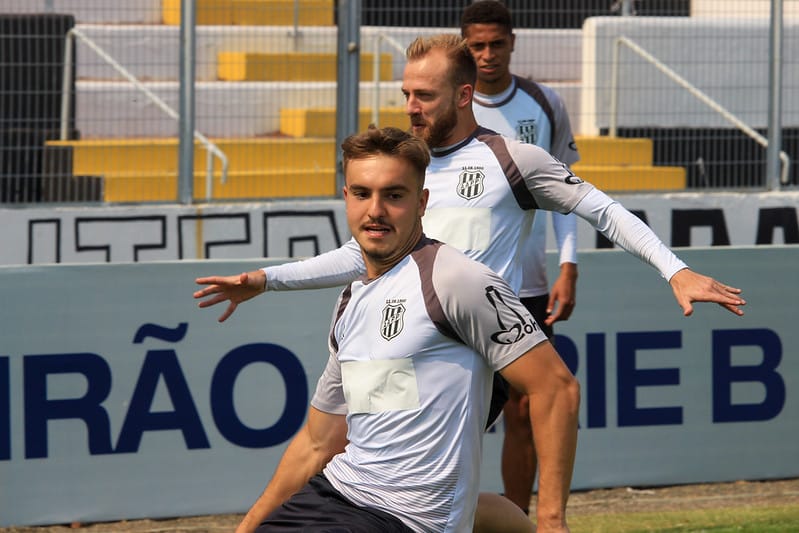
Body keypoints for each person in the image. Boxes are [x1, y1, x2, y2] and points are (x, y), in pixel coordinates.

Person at [195, 34, 745, 529]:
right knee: (388, 476)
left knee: (395, 482)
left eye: (424, 95)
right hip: (402, 335)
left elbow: (602, 209)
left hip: (471, 344)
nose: (410, 107)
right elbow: (359, 253)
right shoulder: (402, 168)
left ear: (463, 95)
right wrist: (267, 280)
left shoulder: (513, 159)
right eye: (406, 93)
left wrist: (674, 269)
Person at [197, 126, 581, 532]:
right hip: (337, 495)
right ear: (346, 199)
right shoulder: (350, 302)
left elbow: (556, 388)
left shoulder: (457, 280)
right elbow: (317, 442)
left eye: (394, 195)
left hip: (408, 521)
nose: (375, 210)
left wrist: (552, 522)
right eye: (362, 193)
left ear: (422, 202)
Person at [461, 0, 580, 513]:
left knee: (527, 408)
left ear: (513, 42)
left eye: (496, 43)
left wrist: (568, 265)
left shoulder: (543, 102)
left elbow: (568, 192)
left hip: (528, 286)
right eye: (476, 46)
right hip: (462, 287)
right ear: (465, 47)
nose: (487, 55)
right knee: (458, 413)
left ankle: (517, 517)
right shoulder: (453, 101)